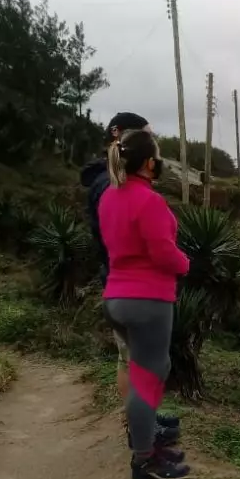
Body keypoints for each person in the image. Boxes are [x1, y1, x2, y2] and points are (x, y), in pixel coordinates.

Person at [81, 113, 180, 445]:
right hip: (135, 288)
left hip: (121, 286)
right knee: (137, 364)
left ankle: (143, 421)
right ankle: (141, 434)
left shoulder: (112, 187)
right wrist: (182, 263)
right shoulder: (115, 189)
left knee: (139, 361)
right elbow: (139, 243)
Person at [99, 128, 191, 479]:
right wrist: (186, 264)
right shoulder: (149, 201)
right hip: (147, 300)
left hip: (116, 296)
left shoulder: (110, 197)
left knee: (148, 372)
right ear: (150, 163)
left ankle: (148, 446)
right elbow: (163, 252)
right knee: (147, 379)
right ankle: (144, 459)